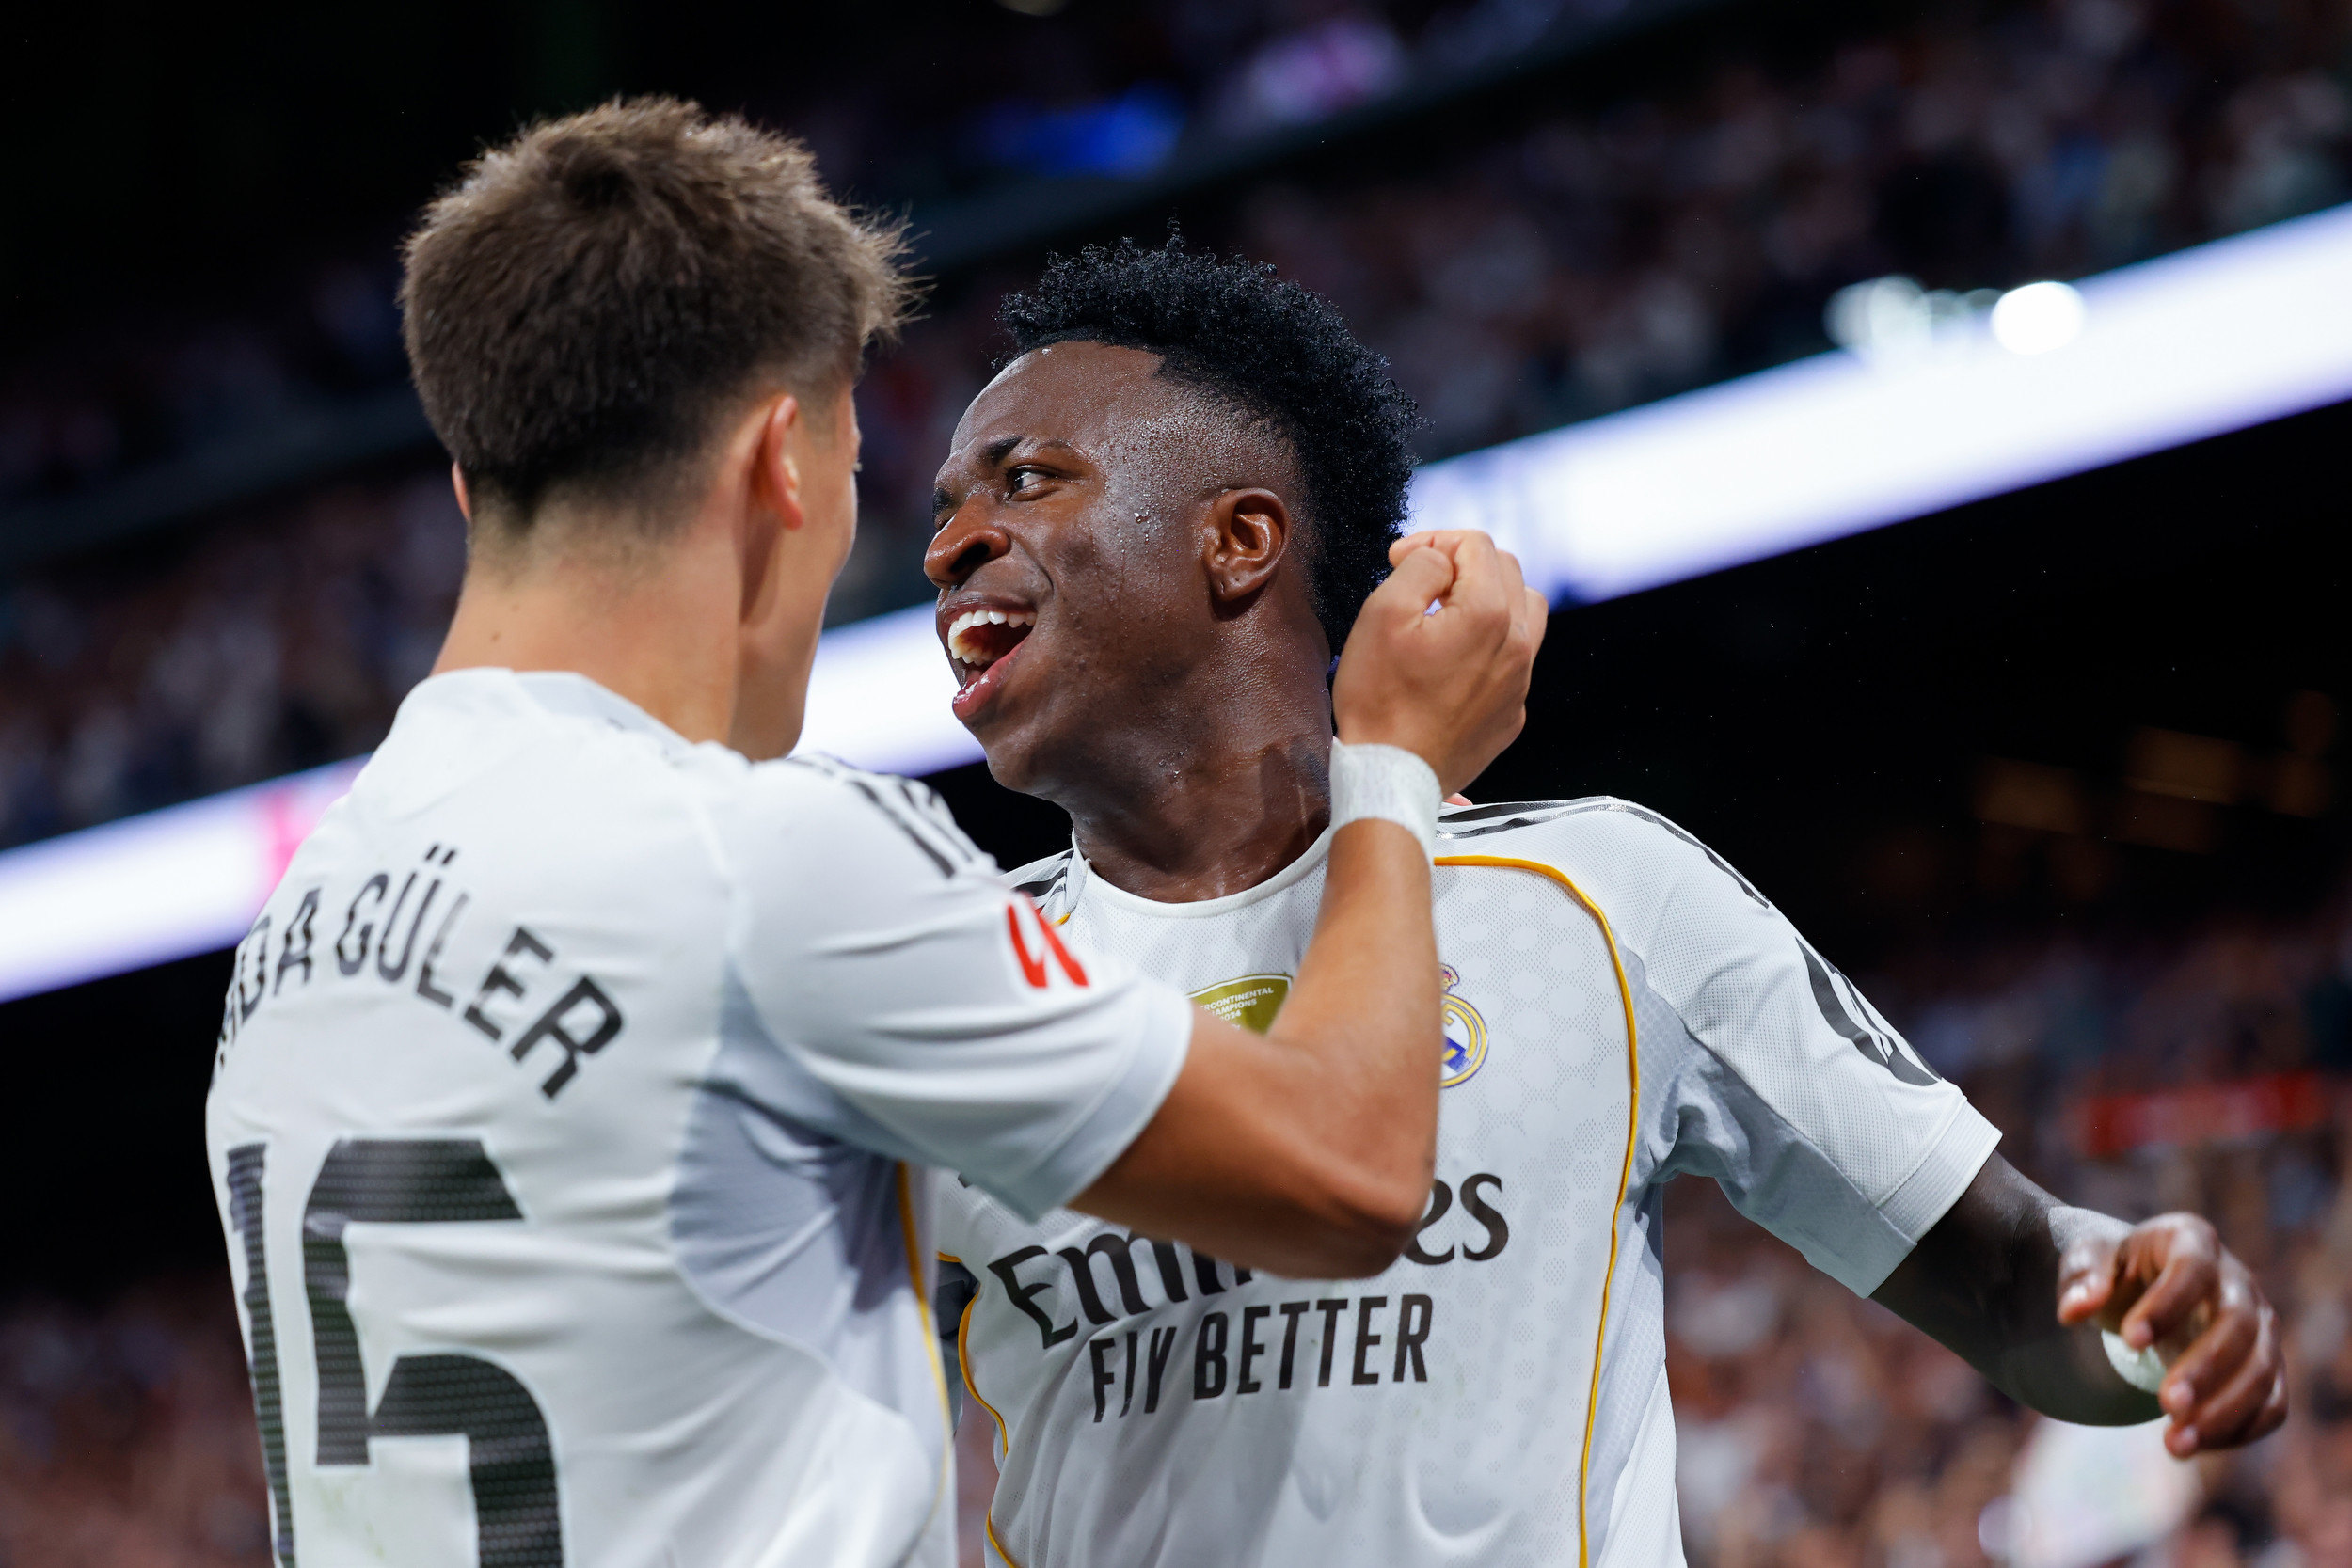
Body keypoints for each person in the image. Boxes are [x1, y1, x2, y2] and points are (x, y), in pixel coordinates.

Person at [203, 104, 1544, 1568]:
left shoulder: (300, 926)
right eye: (859, 466)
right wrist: (1396, 763)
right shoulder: (761, 858)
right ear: (780, 463)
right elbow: (1347, 1176)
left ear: (474, 482)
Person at [926, 239, 2288, 1568]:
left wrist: (2142, 1303)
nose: (946, 546)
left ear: (1239, 541)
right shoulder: (937, 993)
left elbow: (2011, 1277)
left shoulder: (1598, 896)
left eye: (1025, 479)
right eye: (944, 504)